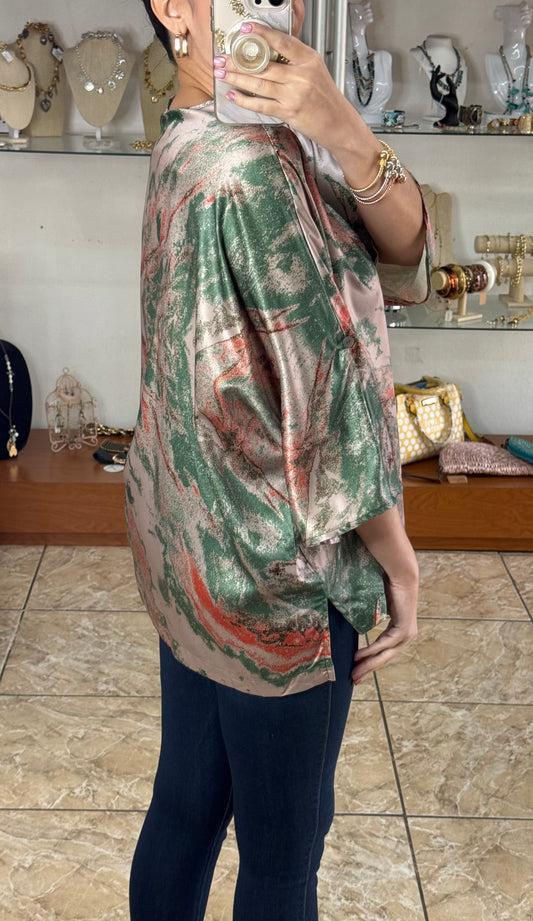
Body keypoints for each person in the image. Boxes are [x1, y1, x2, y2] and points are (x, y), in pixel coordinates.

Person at [125, 2, 429, 919]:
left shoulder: (193, 137)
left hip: (196, 540)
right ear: (173, 7)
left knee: (186, 804)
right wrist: (396, 554)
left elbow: (404, 245)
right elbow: (324, 408)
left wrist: (341, 126)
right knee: (282, 856)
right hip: (284, 571)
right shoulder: (255, 167)